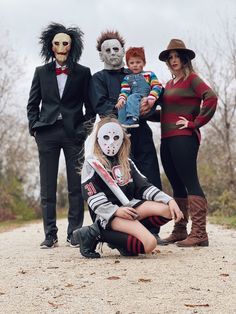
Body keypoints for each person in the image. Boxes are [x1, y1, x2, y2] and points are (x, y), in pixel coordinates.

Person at [72, 117, 183, 258]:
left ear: (123, 140)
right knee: (149, 244)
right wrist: (116, 211)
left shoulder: (127, 162)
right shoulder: (92, 164)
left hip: (129, 207)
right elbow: (92, 197)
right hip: (108, 215)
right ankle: (94, 233)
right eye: (106, 137)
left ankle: (124, 240)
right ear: (98, 139)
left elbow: (144, 187)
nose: (111, 142)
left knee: (167, 211)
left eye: (116, 137)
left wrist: (169, 200)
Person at [27, 23, 95, 248]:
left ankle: (74, 233)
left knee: (76, 186)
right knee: (47, 186)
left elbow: (90, 108)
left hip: (73, 134)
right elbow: (32, 104)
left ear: (72, 45)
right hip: (46, 133)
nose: (61, 47)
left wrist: (83, 132)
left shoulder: (84, 73)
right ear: (51, 46)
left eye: (65, 43)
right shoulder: (41, 72)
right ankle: (50, 235)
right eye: (56, 43)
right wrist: (35, 128)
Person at [158, 39, 218, 247]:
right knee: (176, 184)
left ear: (184, 59)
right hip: (166, 139)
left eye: (177, 56)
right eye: (170, 57)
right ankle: (181, 229)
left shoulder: (192, 79)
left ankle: (200, 233)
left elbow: (211, 97)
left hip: (184, 138)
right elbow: (166, 112)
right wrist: (145, 113)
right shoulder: (168, 84)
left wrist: (195, 123)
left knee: (190, 181)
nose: (173, 60)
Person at [90, 30, 162, 189]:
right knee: (124, 180)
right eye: (107, 50)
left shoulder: (137, 73)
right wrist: (129, 110)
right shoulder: (98, 78)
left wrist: (148, 106)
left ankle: (156, 213)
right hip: (114, 137)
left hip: (141, 132)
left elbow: (155, 94)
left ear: (123, 51)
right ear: (101, 55)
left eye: (116, 49)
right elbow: (101, 107)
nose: (113, 53)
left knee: (150, 175)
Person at [116, 47, 163, 128]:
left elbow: (157, 86)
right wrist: (121, 99)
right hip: (133, 101)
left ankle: (133, 118)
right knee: (122, 104)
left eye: (138, 62)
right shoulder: (127, 78)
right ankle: (122, 126)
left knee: (132, 97)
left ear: (144, 63)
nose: (135, 65)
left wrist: (152, 98)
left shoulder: (149, 74)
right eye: (132, 63)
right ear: (128, 65)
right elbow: (124, 91)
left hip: (144, 98)